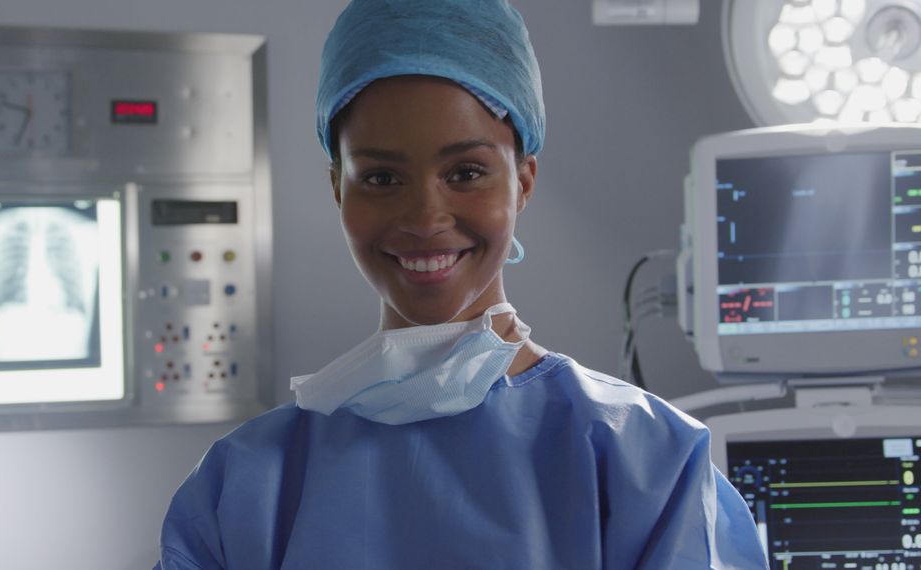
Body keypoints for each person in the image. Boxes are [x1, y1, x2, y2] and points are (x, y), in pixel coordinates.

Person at [155, 1, 769, 568]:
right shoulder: (247, 485)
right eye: (381, 178)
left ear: (523, 181)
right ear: (338, 186)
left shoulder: (645, 463)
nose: (425, 218)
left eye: (466, 172)